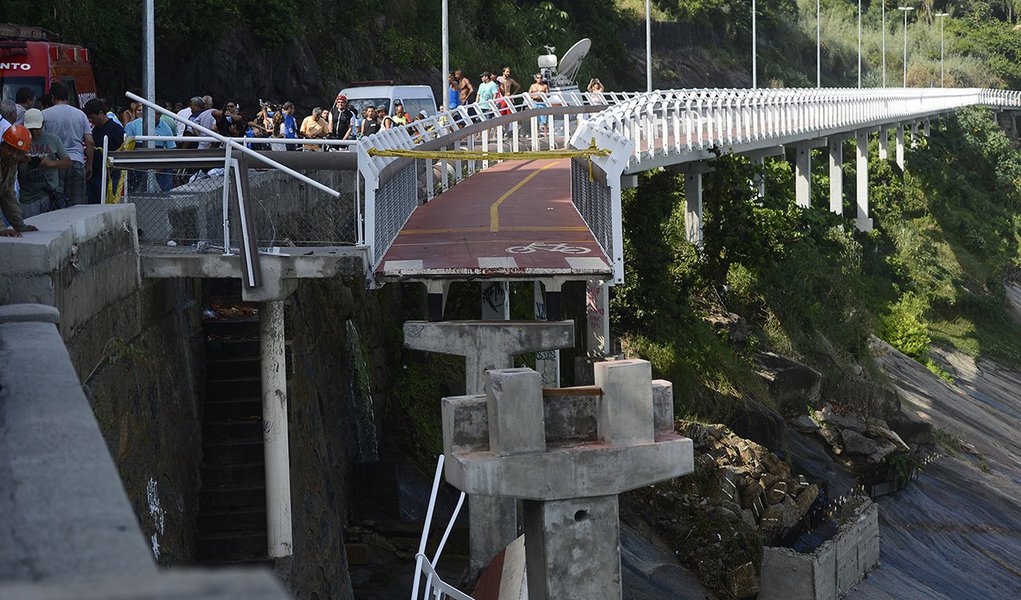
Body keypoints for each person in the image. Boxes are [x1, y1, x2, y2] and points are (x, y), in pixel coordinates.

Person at [42, 82, 93, 206]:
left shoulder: (45, 114)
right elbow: (90, 141)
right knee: (76, 206)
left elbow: (41, 139)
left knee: (55, 205)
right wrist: (89, 165)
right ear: (68, 96)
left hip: (55, 164)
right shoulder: (80, 114)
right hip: (77, 162)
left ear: (52, 96)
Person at [17, 108, 71, 218]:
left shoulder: (53, 139)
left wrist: (52, 163)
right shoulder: (19, 141)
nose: (34, 132)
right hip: (28, 197)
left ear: (43, 124)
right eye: (31, 129)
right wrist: (20, 159)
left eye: (36, 129)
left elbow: (68, 162)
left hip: (50, 194)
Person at [83, 99, 124, 204]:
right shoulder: (95, 129)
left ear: (101, 113)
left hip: (109, 174)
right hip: (95, 172)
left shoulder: (115, 129)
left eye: (92, 117)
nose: (91, 120)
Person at [1, 125, 38, 237]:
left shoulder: (10, 165)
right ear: (2, 146)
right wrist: (1, 228)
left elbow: (8, 196)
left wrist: (20, 225)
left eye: (19, 153)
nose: (14, 156)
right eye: (11, 150)